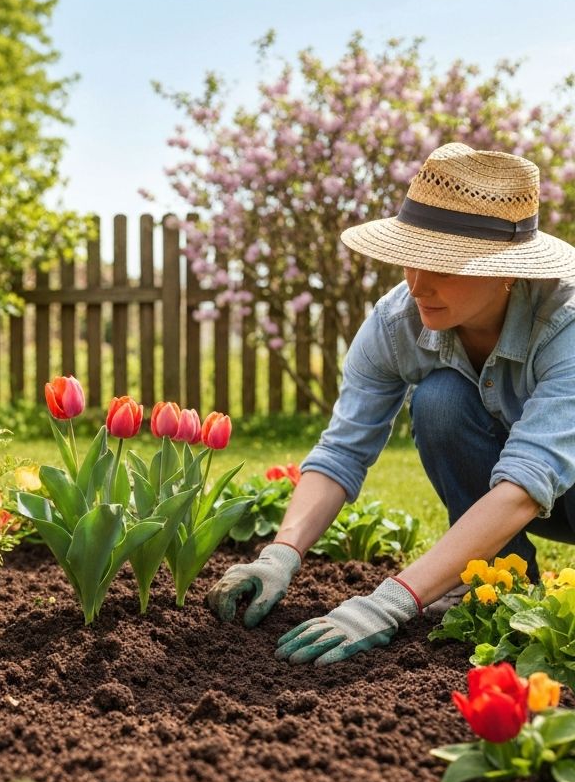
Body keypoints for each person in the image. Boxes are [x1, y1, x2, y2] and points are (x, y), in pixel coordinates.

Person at [207, 142, 575, 666]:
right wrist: (280, 554)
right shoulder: (397, 322)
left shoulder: (565, 323)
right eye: (412, 260)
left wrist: (391, 601)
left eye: (443, 267)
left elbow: (525, 484)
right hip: (526, 496)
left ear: (509, 271)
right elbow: (341, 451)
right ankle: (503, 582)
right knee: (441, 401)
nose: (418, 283)